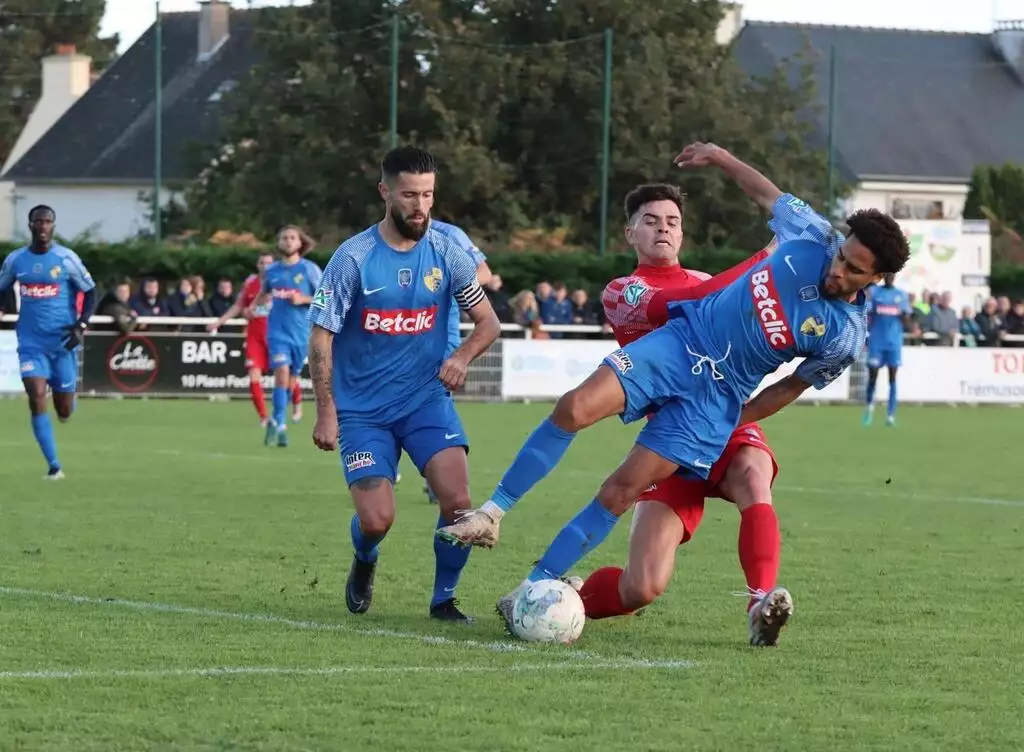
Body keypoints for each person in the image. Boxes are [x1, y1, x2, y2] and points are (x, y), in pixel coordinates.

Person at [442, 163, 910, 644]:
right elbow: (703, 283)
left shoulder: (843, 334)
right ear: (630, 233)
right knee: (579, 420)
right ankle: (501, 526)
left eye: (671, 220)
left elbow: (790, 385)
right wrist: (728, 175)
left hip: (718, 405)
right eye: (650, 220)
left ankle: (756, 601)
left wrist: (738, 419)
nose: (838, 269)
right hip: (678, 354)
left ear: (878, 278)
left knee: (715, 480)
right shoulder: (628, 288)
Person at [307, 145, 500, 622]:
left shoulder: (448, 254)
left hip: (425, 401)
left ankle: (443, 600)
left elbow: (488, 323)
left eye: (428, 195)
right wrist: (326, 411)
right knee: (377, 520)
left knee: (458, 504)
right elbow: (320, 337)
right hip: (361, 411)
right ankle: (365, 557)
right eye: (410, 195)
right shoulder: (353, 258)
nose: (420, 206)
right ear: (385, 192)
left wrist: (460, 356)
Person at [0, 205, 96, 479]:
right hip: (31, 342)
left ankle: (68, 402)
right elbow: (2, 288)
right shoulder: (16, 260)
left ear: (53, 226)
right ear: (30, 225)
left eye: (47, 222)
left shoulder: (66, 259)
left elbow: (91, 292)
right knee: (36, 395)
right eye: (38, 222)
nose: (43, 226)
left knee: (64, 410)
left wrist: (82, 324)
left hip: (62, 342)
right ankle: (54, 466)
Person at [421, 220, 491, 504]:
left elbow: (484, 273)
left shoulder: (449, 235)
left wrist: (448, 283)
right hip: (396, 334)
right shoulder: (381, 237)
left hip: (440, 335)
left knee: (436, 397)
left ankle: (439, 476)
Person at [261, 226, 321, 447]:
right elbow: (262, 294)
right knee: (281, 373)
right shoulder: (271, 271)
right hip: (277, 333)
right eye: (283, 238)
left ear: (300, 243)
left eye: (292, 238)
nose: (287, 241)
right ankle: (281, 425)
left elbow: (326, 299)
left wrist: (304, 299)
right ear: (278, 243)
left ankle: (275, 420)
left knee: (290, 381)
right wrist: (252, 306)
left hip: (301, 334)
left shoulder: (310, 269)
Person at [208, 251, 279, 428]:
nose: (266, 266)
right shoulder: (251, 283)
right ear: (258, 265)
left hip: (277, 335)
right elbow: (239, 305)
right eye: (262, 262)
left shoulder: (281, 281)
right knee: (253, 374)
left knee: (285, 375)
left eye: (269, 262)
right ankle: (264, 417)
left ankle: (289, 411)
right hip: (255, 336)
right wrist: (219, 322)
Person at [863, 274, 912, 427]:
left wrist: (905, 314)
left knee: (892, 378)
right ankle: (869, 406)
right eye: (888, 275)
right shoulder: (875, 293)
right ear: (885, 276)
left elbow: (906, 321)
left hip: (894, 343)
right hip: (877, 341)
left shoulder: (901, 295)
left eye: (892, 275)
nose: (890, 278)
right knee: (873, 376)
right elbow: (866, 314)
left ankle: (891, 415)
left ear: (895, 277)